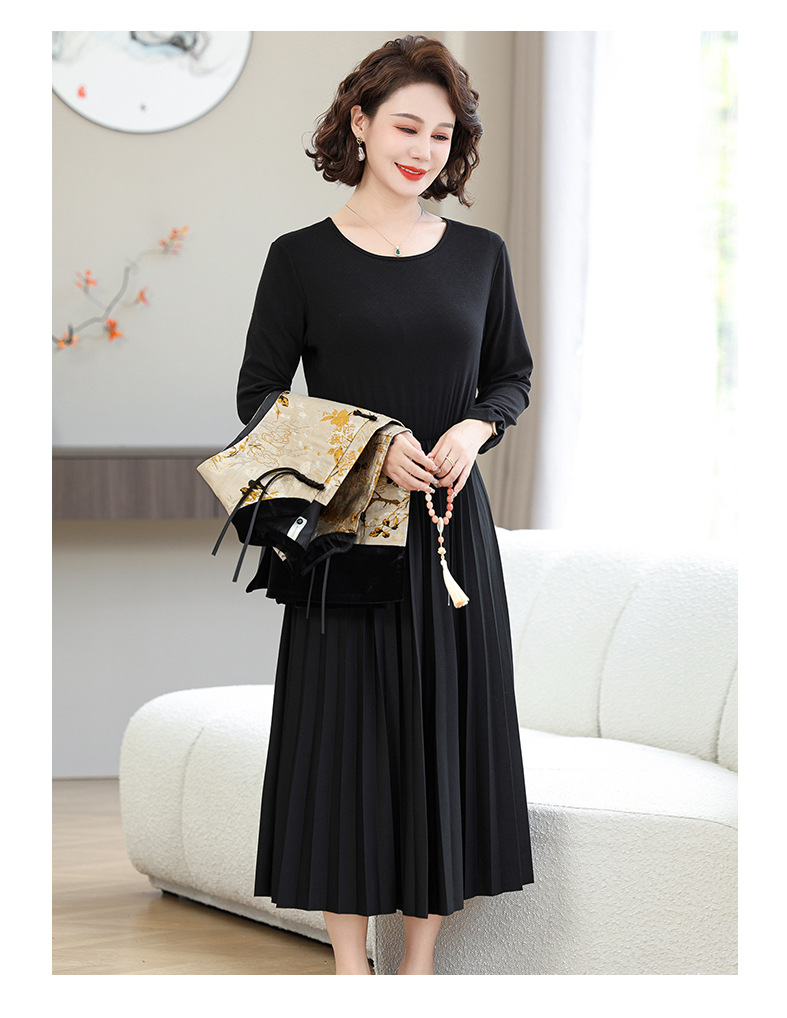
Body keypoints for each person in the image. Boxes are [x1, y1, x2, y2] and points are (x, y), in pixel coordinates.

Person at [237, 35, 535, 975]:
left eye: (442, 136)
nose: (423, 150)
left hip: (450, 539)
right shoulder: (300, 259)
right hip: (347, 542)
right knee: (346, 742)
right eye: (407, 127)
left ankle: (417, 968)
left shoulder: (481, 256)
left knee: (441, 733)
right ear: (360, 124)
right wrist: (370, 442)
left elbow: (512, 377)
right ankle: (348, 966)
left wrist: (475, 429)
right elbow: (259, 399)